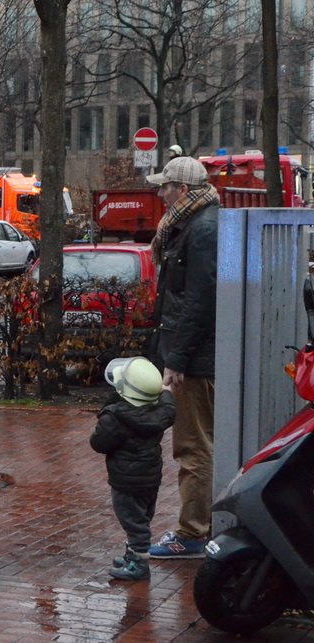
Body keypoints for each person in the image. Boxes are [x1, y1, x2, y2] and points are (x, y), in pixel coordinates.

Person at [144, 155, 219, 559]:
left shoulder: (201, 229)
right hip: (195, 353)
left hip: (196, 359)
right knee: (199, 441)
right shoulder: (194, 224)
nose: (161, 194)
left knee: (192, 445)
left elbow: (199, 301)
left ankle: (192, 532)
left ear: (184, 191)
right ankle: (200, 524)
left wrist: (177, 359)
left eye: (166, 187)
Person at [90, 356, 176, 581]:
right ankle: (133, 554)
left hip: (126, 481)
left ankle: (138, 562)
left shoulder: (115, 418)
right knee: (142, 517)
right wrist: (166, 390)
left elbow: (98, 444)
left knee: (132, 521)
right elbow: (169, 405)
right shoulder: (159, 413)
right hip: (150, 478)